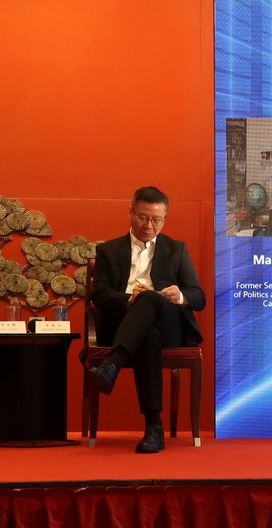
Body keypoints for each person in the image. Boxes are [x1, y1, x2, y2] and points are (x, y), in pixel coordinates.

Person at [86, 187, 205, 453]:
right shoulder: (108, 250)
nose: (149, 226)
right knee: (147, 334)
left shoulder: (176, 249)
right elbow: (100, 294)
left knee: (150, 297)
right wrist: (130, 299)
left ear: (165, 218)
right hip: (125, 325)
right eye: (143, 218)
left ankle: (112, 365)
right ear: (130, 212)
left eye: (157, 220)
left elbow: (199, 297)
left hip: (170, 326)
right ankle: (154, 426)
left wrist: (180, 295)